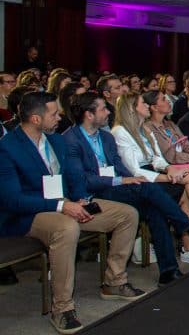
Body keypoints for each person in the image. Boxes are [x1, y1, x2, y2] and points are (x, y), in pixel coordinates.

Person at [0, 92, 146, 334]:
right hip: (26, 214)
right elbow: (12, 200)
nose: (60, 117)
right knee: (66, 228)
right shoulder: (7, 148)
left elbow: (71, 177)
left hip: (65, 204)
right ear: (36, 119)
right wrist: (61, 206)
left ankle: (114, 281)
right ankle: (62, 308)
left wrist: (80, 199)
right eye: (54, 114)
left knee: (127, 214)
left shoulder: (56, 141)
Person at [63, 93, 189, 283]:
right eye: (103, 109)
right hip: (94, 193)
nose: (108, 112)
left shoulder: (105, 137)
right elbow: (83, 180)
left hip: (118, 185)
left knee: (155, 206)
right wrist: (123, 180)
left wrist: (129, 178)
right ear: (89, 115)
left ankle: (169, 271)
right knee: (150, 189)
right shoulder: (71, 140)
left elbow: (119, 165)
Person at [110, 92, 189, 249]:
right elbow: (134, 171)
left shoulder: (144, 129)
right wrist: (168, 176)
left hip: (155, 172)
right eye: (143, 103)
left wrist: (169, 168)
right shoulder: (120, 131)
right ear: (132, 109)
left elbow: (157, 158)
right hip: (139, 181)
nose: (146, 106)